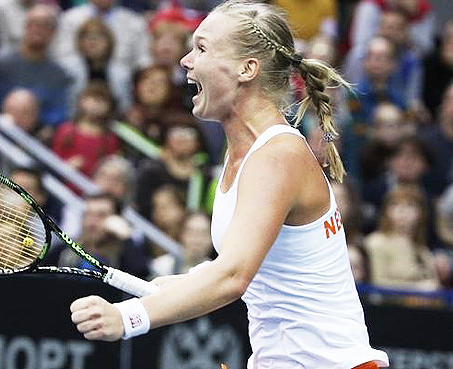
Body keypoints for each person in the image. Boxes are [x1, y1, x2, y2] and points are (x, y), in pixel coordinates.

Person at [69, 2, 389, 369]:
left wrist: (129, 318)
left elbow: (233, 276)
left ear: (246, 68)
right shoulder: (242, 155)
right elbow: (230, 272)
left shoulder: (277, 156)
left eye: (202, 48)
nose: (186, 62)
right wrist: (171, 288)